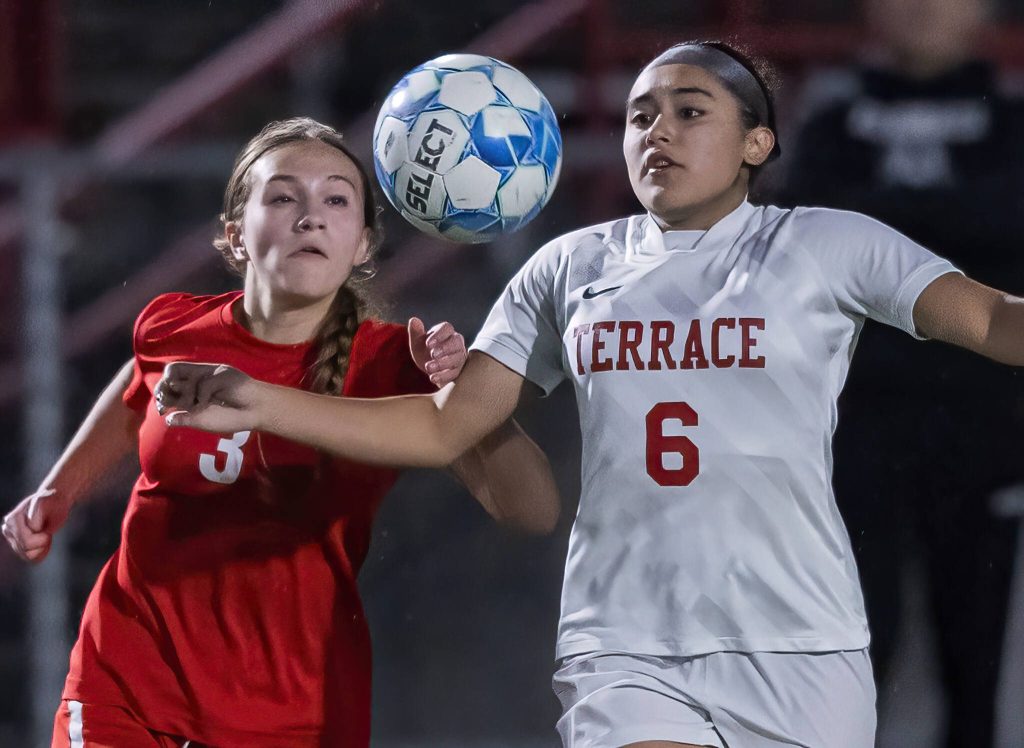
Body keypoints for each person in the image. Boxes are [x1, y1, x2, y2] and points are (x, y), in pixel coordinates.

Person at [150, 43, 1024, 748]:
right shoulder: (572, 266)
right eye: (641, 114)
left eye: (690, 111)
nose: (658, 132)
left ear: (758, 143)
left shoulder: (828, 246)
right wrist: (258, 399)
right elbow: (447, 425)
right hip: (626, 643)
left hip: (803, 643)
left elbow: (991, 322)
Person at [1, 117, 560, 748]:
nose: (310, 215)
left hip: (294, 709)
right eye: (284, 195)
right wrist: (61, 488)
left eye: (336, 199)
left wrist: (475, 403)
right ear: (236, 236)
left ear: (364, 246)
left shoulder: (393, 366)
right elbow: (138, 386)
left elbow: (532, 510)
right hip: (127, 682)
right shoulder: (172, 325)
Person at [777, 2, 1024, 743]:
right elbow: (799, 236)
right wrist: (954, 227)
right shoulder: (824, 124)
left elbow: (1010, 218)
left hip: (989, 441)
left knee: (978, 677)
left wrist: (875, 233)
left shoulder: (1014, 123)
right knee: (848, 666)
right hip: (854, 440)